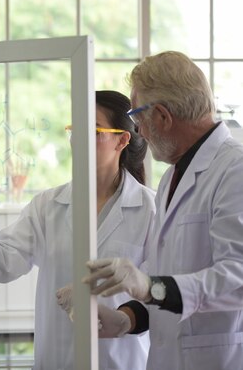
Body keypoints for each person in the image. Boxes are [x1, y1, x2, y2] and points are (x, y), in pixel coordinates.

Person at [0, 90, 154, 370]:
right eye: (74, 128)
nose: (78, 139)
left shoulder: (150, 209)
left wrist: (122, 318)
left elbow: (161, 296)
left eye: (93, 130)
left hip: (122, 362)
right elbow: (0, 264)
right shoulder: (48, 205)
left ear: (122, 140)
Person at [82, 51, 243, 370]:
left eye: (138, 117)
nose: (139, 130)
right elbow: (166, 280)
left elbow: (237, 277)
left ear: (162, 116)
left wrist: (149, 286)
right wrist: (127, 319)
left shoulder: (235, 169)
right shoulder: (172, 176)